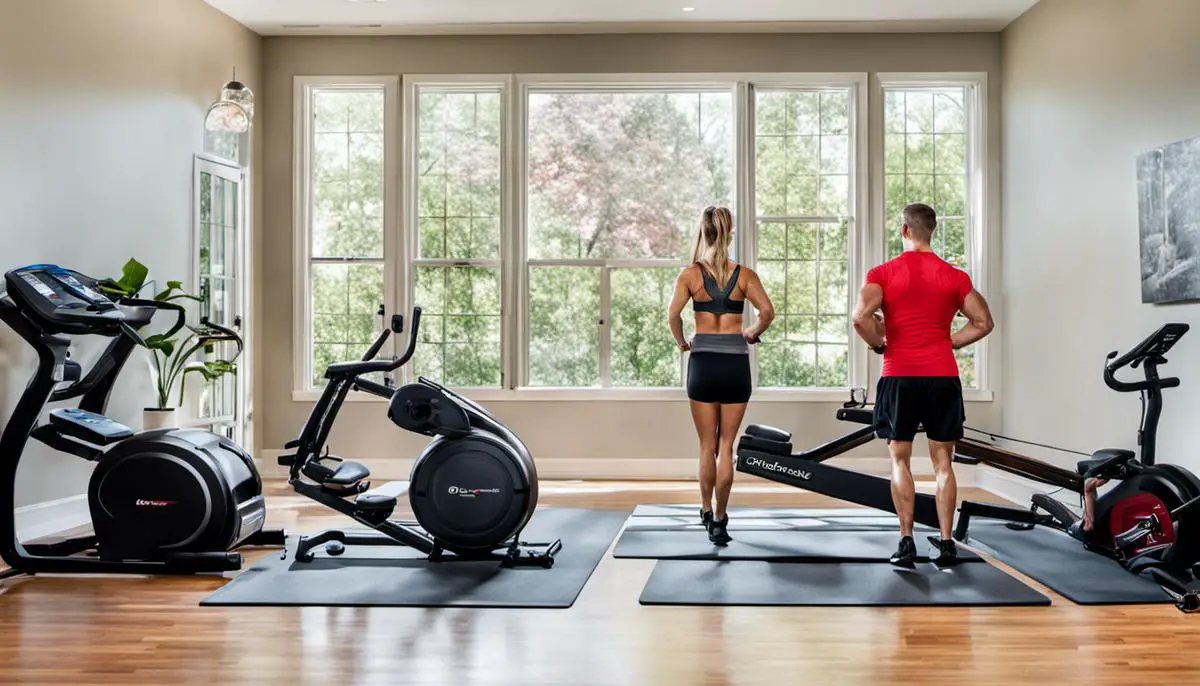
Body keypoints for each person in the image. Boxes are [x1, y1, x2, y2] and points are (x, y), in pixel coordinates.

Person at [851, 203, 994, 566]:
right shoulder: (954, 276)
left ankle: (906, 542)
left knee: (900, 460)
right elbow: (982, 322)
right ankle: (946, 544)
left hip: (899, 374)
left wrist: (877, 343)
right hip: (942, 376)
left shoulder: (883, 273)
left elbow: (859, 317)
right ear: (931, 231)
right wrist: (949, 343)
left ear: (904, 230)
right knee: (944, 463)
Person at [668, 206, 775, 545]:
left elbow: (673, 316)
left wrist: (683, 342)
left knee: (706, 445)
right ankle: (719, 518)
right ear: (730, 232)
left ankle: (703, 508)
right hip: (734, 366)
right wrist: (751, 332)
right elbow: (767, 312)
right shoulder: (744, 275)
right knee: (726, 446)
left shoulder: (690, 275)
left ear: (704, 231)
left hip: (702, 364)